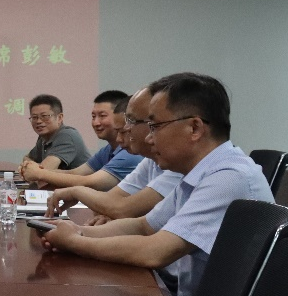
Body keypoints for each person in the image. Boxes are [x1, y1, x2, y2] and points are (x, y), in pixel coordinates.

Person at [40, 73, 273, 296]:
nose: (149, 138)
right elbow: (143, 226)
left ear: (194, 128)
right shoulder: (197, 172)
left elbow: (155, 251)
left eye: (155, 126)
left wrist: (75, 243)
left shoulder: (229, 177)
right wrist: (79, 231)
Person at [45, 87, 184, 224]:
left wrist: (76, 192)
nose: (125, 132)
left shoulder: (176, 168)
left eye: (132, 122)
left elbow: (121, 209)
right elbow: (112, 201)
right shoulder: (149, 162)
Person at [21, 90, 141, 190]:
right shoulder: (107, 150)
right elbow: (75, 173)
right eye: (93, 116)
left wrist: (39, 173)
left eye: (102, 116)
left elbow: (89, 182)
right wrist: (34, 169)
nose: (96, 122)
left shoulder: (131, 154)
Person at [21, 93, 90, 175]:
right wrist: (32, 166)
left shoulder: (67, 136)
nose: (38, 121)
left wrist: (31, 168)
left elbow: (42, 173)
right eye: (34, 117)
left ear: (60, 118)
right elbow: (26, 158)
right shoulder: (43, 138)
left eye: (45, 116)